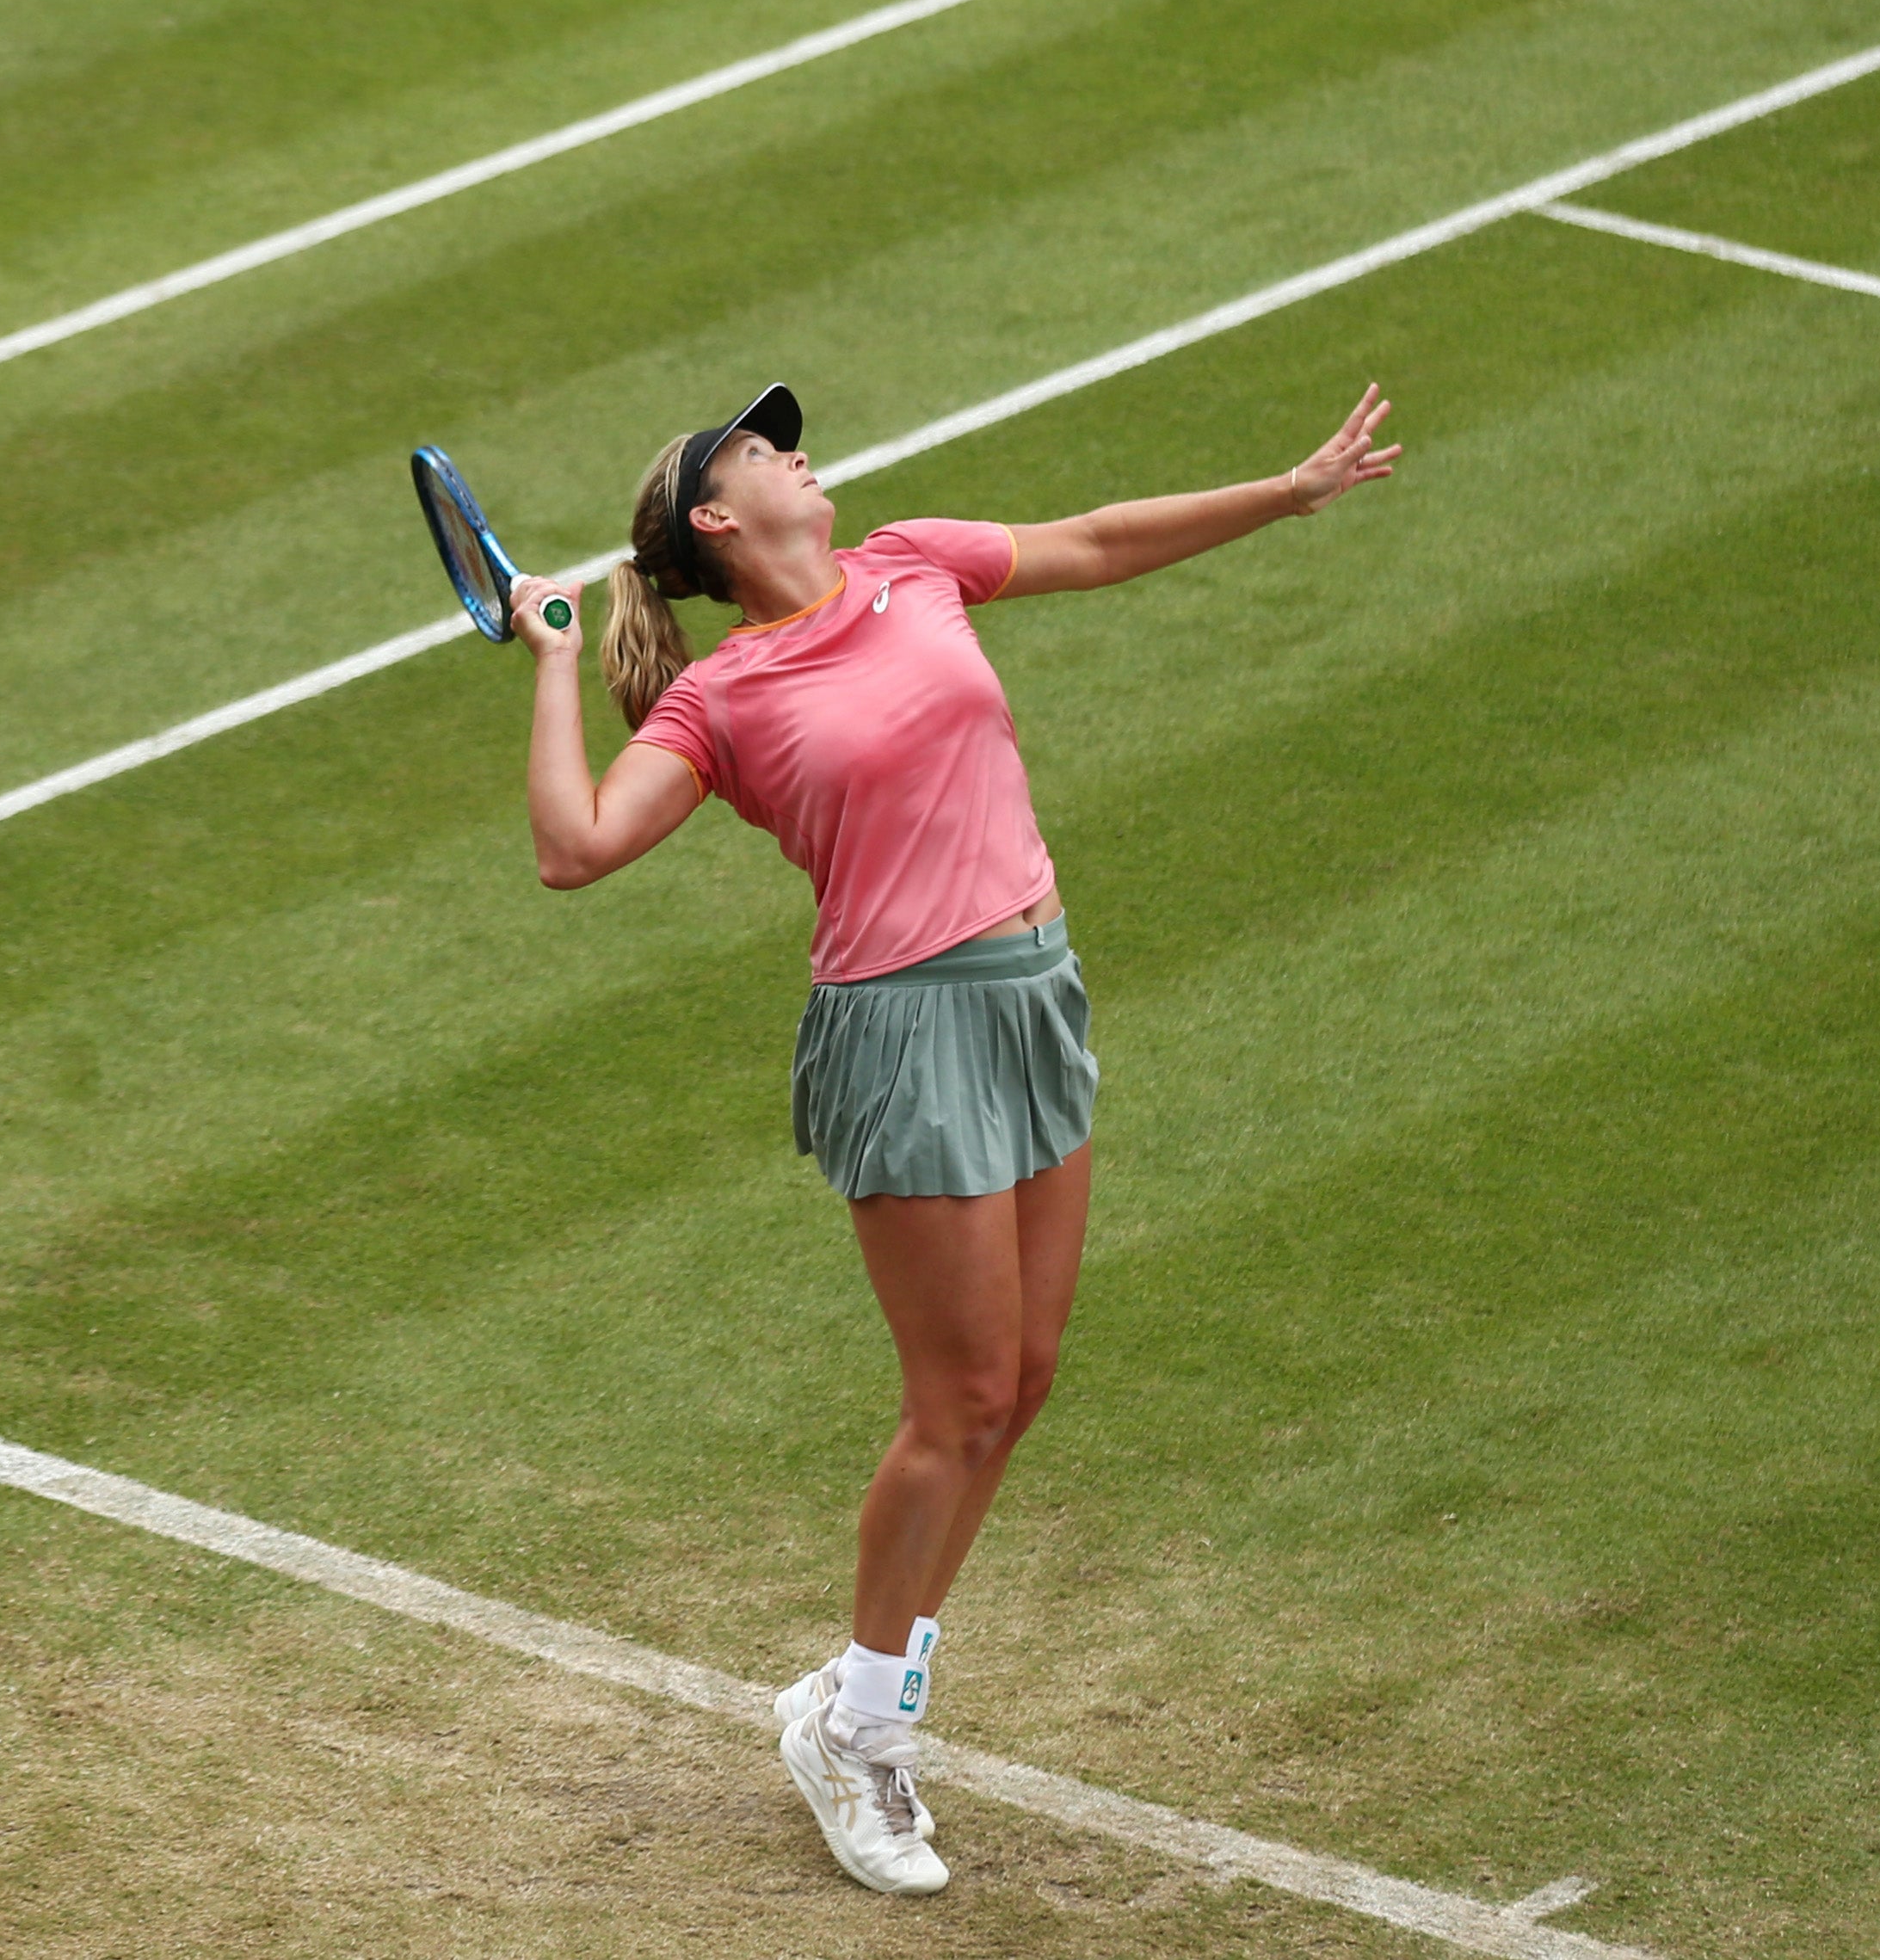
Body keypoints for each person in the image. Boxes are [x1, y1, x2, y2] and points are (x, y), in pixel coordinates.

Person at [507, 379, 1399, 1895]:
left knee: (1022, 1383)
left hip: (1031, 992)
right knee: (959, 1394)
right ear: (718, 521)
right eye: (759, 447)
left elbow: (1098, 541)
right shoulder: (718, 699)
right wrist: (547, 666)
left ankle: (852, 1708)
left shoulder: (913, 559)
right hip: (903, 1037)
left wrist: (1283, 490)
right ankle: (859, 1734)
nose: (794, 448)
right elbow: (572, 848)